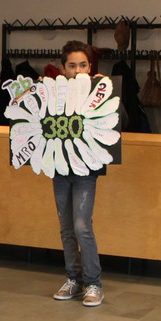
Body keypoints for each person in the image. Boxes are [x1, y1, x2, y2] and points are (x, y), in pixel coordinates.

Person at [51, 41, 105, 307]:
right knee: (66, 226)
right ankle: (74, 278)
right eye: (72, 66)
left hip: (86, 169)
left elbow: (120, 121)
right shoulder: (54, 94)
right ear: (63, 69)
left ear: (90, 67)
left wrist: (104, 90)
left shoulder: (99, 92)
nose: (78, 70)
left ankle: (93, 283)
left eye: (83, 65)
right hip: (60, 166)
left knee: (82, 226)